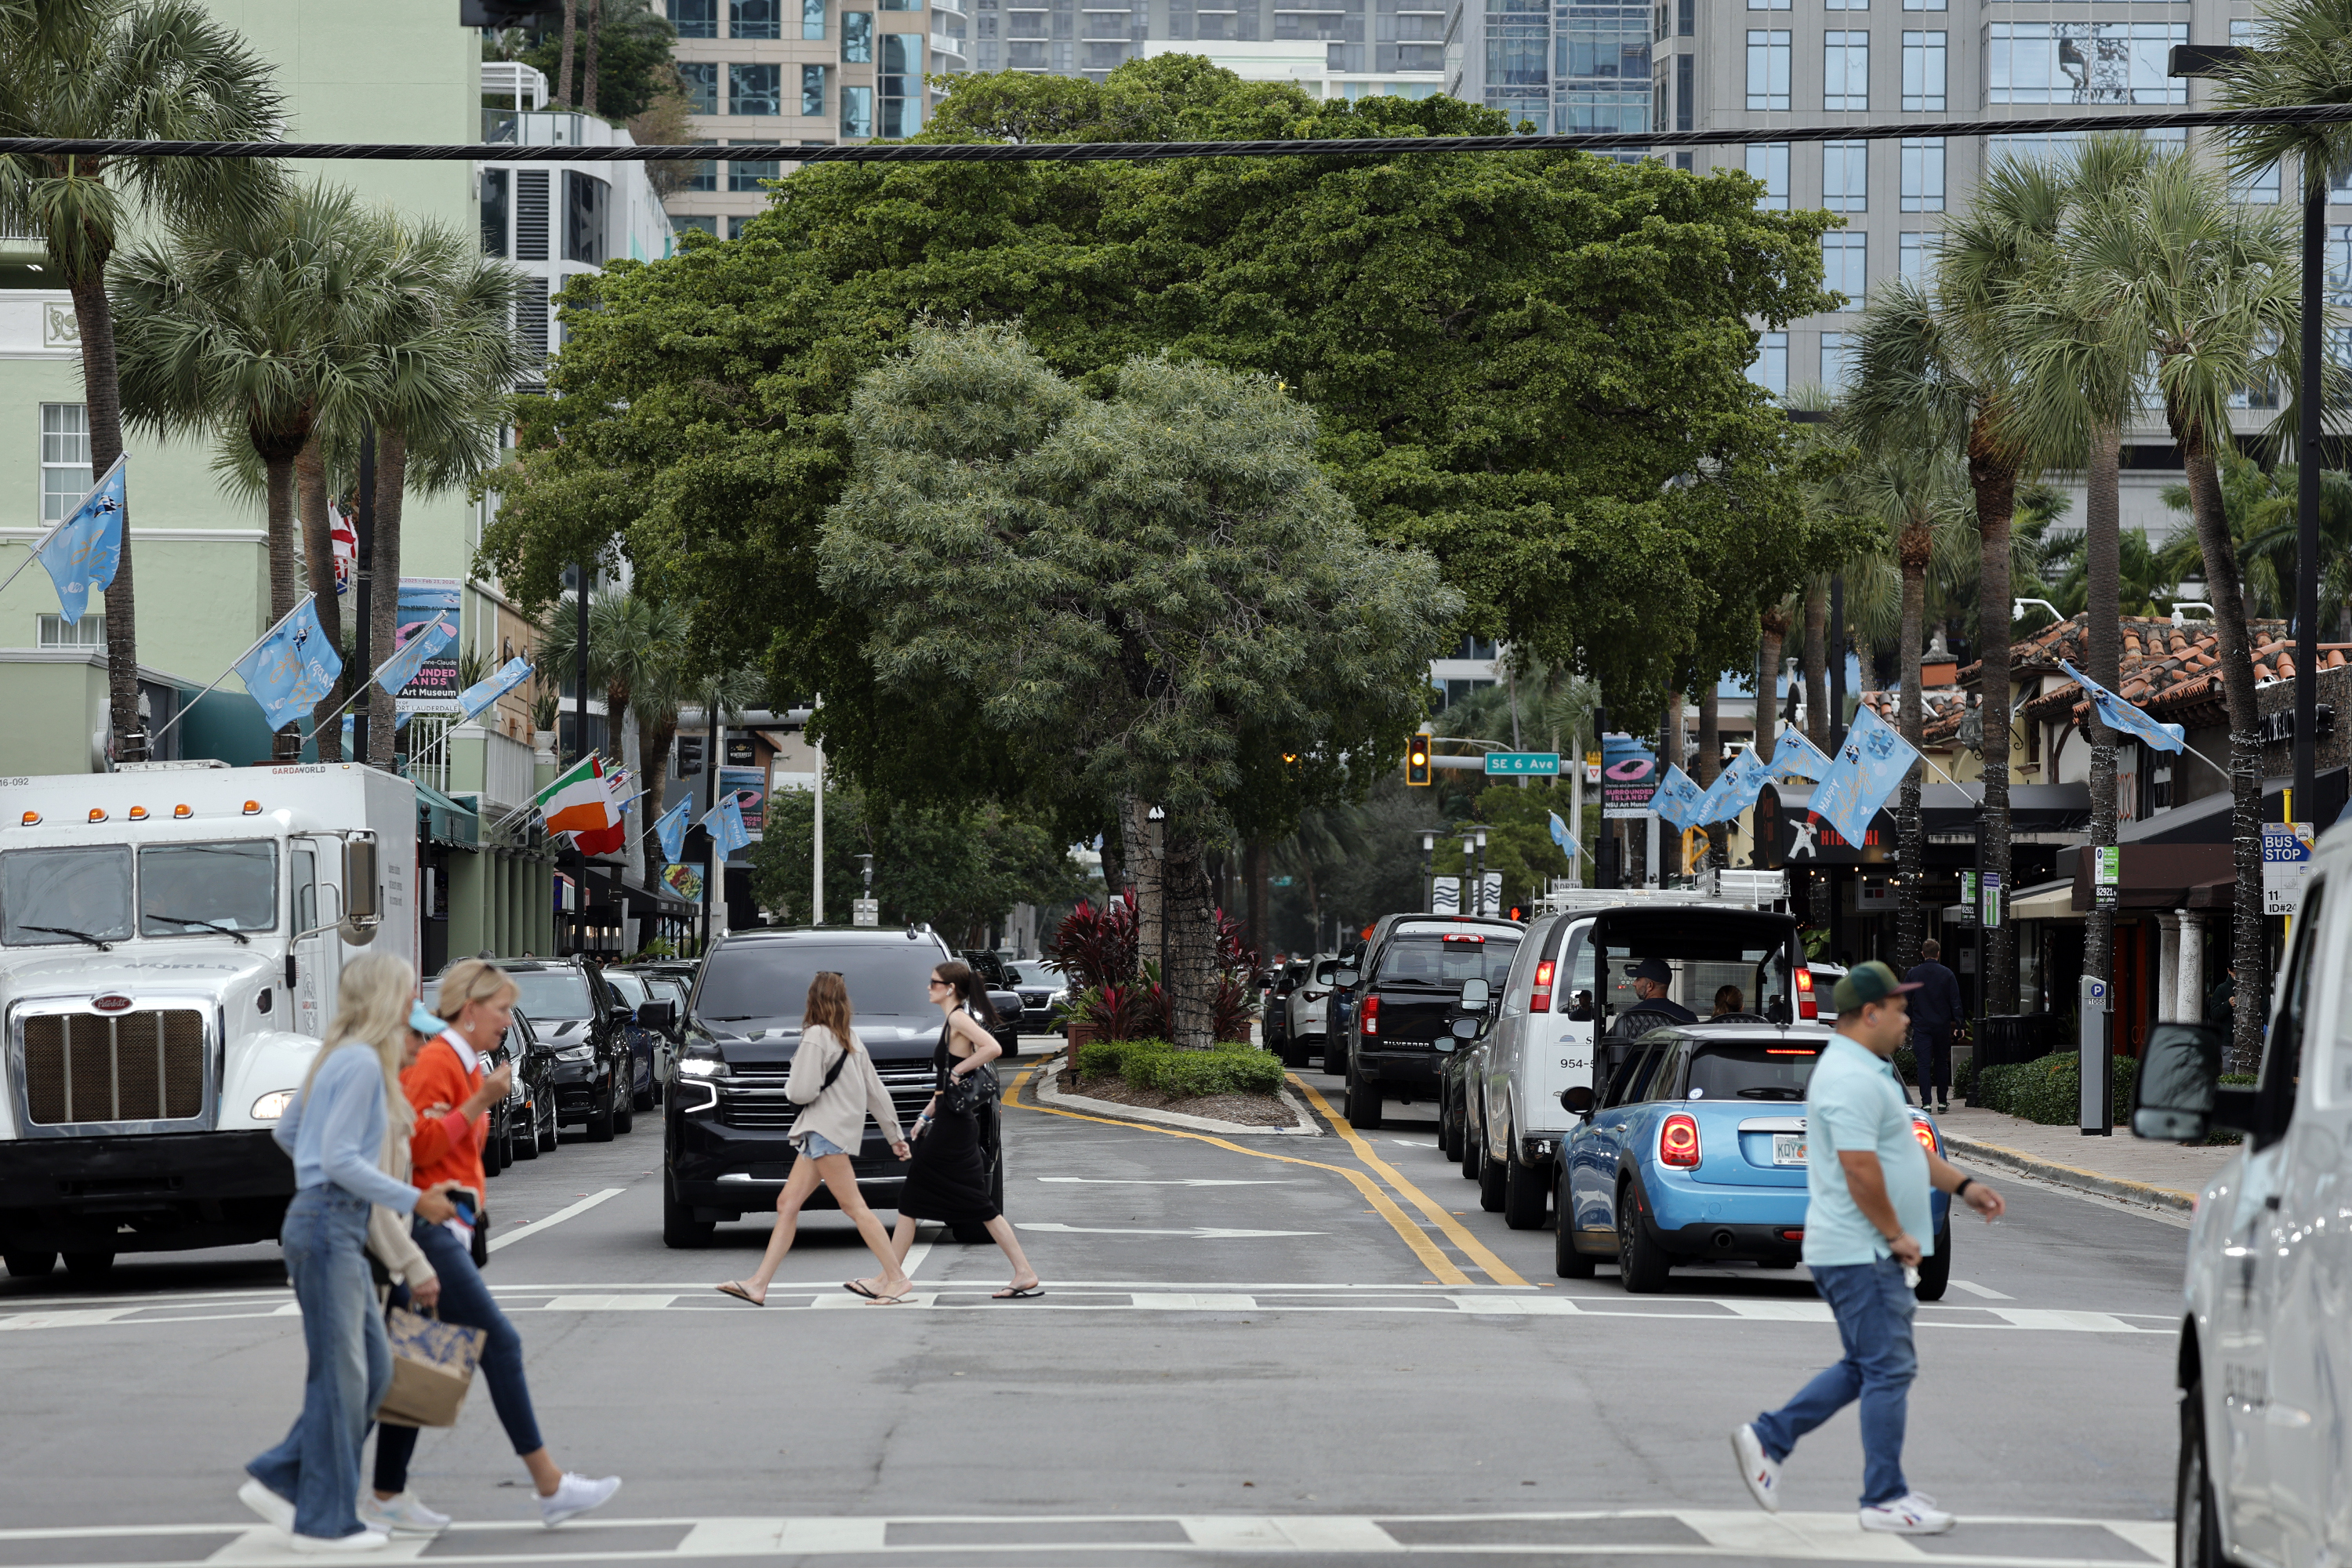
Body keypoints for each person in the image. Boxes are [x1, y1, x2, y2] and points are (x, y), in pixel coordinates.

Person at [1731, 961, 2006, 1534]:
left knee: (1867, 1366)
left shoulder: (1870, 1069)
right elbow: (1859, 1169)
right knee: (1889, 1368)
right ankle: (1883, 1497)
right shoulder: (1852, 1078)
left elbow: (1902, 1151)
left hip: (1857, 1248)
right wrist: (1895, 1235)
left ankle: (1770, 1437)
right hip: (1859, 1250)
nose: (1909, 1018)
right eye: (1901, 1008)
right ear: (1869, 1013)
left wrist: (1964, 1185)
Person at [365, 960, 621, 1533]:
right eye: (502, 1009)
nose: (509, 1021)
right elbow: (421, 1145)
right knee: (496, 1345)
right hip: (431, 1229)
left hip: (450, 1228)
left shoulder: (461, 1061)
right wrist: (480, 1102)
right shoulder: (439, 1062)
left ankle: (377, 1491)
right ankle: (549, 1483)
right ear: (471, 1008)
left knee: (416, 1367)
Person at [241, 955, 462, 1553]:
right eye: (406, 993)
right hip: (331, 1221)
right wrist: (417, 1199)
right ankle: (324, 1520)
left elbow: (288, 1135)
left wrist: (322, 1173)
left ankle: (286, 1473)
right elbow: (340, 1160)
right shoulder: (361, 1062)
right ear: (387, 998)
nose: (412, 1003)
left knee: (370, 1371)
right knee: (345, 1378)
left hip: (327, 1221)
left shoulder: (338, 1055)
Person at [717, 971, 915, 1305]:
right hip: (826, 1133)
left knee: (854, 1207)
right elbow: (876, 1092)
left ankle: (896, 1279)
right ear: (842, 1002)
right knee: (788, 1204)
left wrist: (790, 1083)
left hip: (825, 1132)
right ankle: (758, 1284)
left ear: (812, 1000)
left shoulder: (815, 1036)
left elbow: (800, 1092)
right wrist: (894, 1134)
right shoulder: (849, 1038)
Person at [865, 960, 1044, 1301]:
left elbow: (993, 1048)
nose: (928, 987)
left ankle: (890, 1278)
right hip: (947, 1121)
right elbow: (943, 1085)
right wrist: (925, 1116)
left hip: (955, 1129)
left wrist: (961, 1069)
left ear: (949, 988)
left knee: (937, 1200)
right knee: (925, 1199)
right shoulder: (951, 1021)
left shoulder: (959, 1018)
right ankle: (888, 1277)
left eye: (934, 982)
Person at [1904, 939, 1965, 1113]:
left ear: (1922, 954)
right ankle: (1943, 1102)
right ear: (1938, 954)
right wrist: (1959, 1023)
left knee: (1923, 1064)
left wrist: (1907, 1019)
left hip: (1921, 1025)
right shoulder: (1947, 974)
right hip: (1941, 1025)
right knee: (1941, 1063)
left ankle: (1926, 1103)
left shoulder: (1913, 974)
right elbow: (1955, 1001)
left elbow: (1905, 1000)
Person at [1621, 957, 1697, 1027]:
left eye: (1638, 979)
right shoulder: (1689, 1017)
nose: (1634, 984)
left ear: (1650, 985)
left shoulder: (1627, 1017)